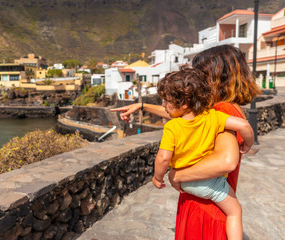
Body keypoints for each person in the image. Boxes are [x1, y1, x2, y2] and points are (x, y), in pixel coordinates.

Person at [110, 44, 261, 239]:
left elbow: (226, 161)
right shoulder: (218, 112)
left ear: (214, 77)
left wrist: (177, 175)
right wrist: (142, 106)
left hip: (205, 210)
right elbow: (184, 113)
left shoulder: (222, 110)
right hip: (205, 203)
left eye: (199, 74)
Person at [152, 66, 254, 240]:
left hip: (185, 181)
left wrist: (158, 178)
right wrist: (247, 144)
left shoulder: (172, 127)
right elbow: (244, 125)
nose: (163, 105)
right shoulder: (212, 117)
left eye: (166, 101)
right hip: (210, 183)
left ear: (184, 104)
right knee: (235, 212)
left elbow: (163, 158)